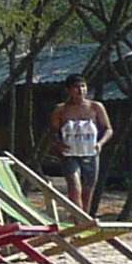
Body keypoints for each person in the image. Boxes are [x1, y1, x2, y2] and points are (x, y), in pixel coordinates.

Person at [49, 79, 112, 213]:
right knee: (74, 186)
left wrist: (100, 144)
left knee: (88, 189)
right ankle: (77, 218)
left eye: (83, 86)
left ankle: (85, 218)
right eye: (76, 87)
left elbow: (108, 129)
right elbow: (54, 131)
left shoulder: (95, 107)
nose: (80, 90)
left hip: (90, 153)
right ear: (69, 90)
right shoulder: (61, 109)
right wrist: (58, 143)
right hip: (70, 153)